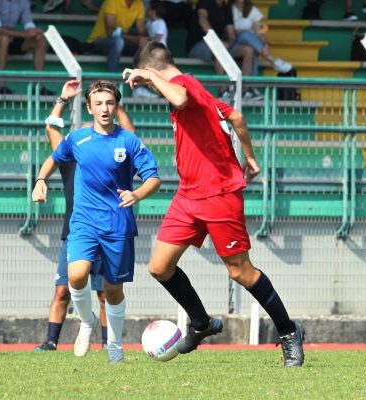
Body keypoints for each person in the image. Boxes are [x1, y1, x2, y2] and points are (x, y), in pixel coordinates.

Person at [123, 41, 305, 368]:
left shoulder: (182, 86)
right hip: (188, 195)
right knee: (159, 267)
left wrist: (146, 76)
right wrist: (248, 156)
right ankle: (202, 323)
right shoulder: (197, 87)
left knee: (240, 272)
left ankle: (289, 333)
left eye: (146, 78)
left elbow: (178, 97)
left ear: (150, 71)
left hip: (220, 194)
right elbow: (236, 116)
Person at [32, 79, 161, 363]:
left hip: (117, 225)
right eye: (99, 104)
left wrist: (137, 194)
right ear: (89, 108)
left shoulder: (127, 140)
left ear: (117, 107)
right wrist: (41, 179)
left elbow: (153, 177)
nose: (105, 109)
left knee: (112, 290)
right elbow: (53, 154)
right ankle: (86, 323)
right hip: (82, 223)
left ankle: (114, 344)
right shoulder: (77, 139)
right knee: (75, 276)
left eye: (110, 103)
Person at [0, 0, 52, 95]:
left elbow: (29, 24)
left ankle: (39, 87)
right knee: (4, 38)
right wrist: (23, 34)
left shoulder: (23, 1)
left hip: (10, 38)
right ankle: (1, 87)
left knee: (40, 39)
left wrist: (35, 32)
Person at [185, 0, 261, 100]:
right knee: (219, 47)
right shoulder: (204, 2)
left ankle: (245, 91)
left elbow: (230, 31)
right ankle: (223, 91)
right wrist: (216, 41)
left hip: (223, 46)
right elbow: (203, 21)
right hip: (198, 45)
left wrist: (231, 38)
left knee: (248, 50)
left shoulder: (226, 8)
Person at [230, 0, 292, 75]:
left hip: (251, 44)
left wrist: (265, 45)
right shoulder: (229, 9)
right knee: (244, 34)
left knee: (251, 49)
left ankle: (251, 84)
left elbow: (258, 32)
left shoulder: (253, 10)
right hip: (234, 44)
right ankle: (270, 58)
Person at [86, 0, 149, 72]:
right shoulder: (112, 1)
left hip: (122, 41)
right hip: (99, 41)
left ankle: (138, 80)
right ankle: (112, 79)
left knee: (147, 45)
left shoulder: (139, 3)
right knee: (118, 42)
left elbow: (142, 30)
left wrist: (146, 39)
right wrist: (137, 40)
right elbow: (111, 32)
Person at [134, 0, 167, 98]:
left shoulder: (160, 22)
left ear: (153, 10)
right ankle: (140, 89)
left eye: (149, 9)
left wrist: (147, 42)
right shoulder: (149, 23)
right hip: (150, 51)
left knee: (156, 73)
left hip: (159, 52)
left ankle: (160, 93)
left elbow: (158, 38)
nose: (147, 10)